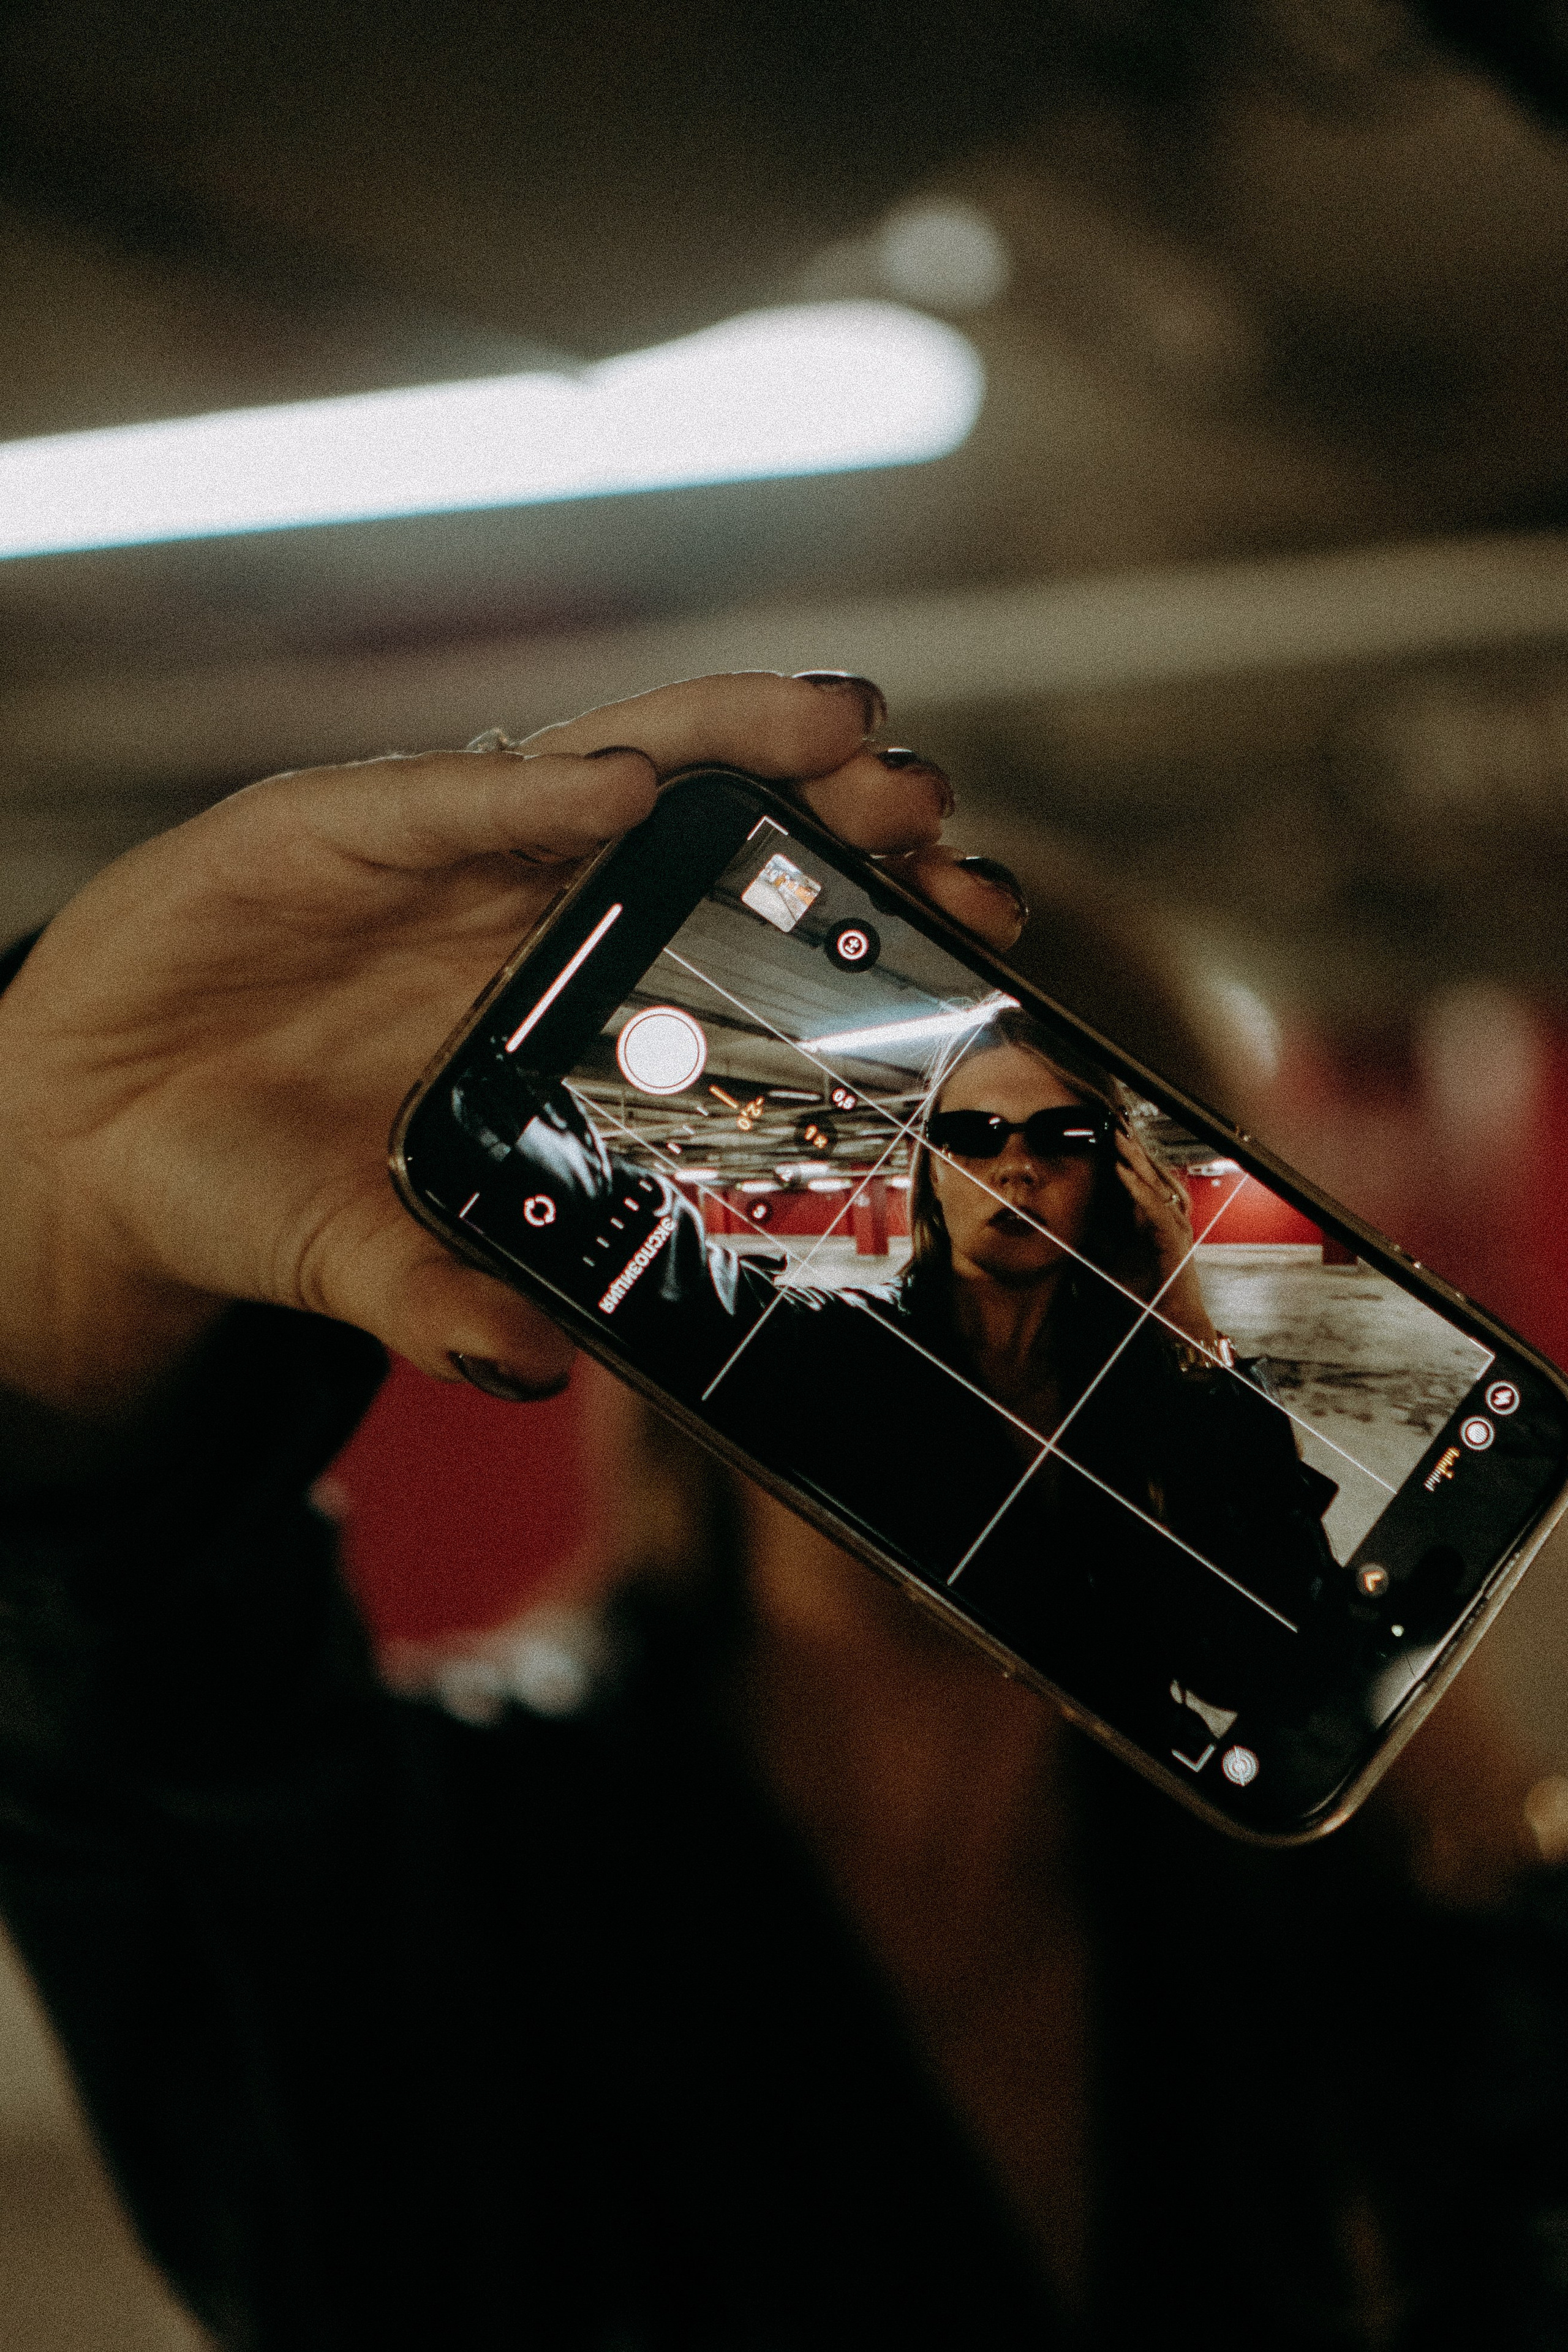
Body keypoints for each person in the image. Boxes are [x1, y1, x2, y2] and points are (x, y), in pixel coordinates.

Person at [0, 671, 1565, 2350]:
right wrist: (44, 1255)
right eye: (946, 1218)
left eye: (1101, 1233)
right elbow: (148, 1696)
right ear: (747, 1277)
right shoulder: (445, 1888)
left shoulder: (1364, 1930)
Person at [459, 1001, 1338, 1681]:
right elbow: (677, 1280)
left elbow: (1269, 1656)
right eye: (972, 1136)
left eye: (1063, 1138)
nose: (1015, 1166)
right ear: (929, 1171)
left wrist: (1181, 1326)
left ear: (1121, 1186)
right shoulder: (844, 1351)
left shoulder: (1162, 1400)